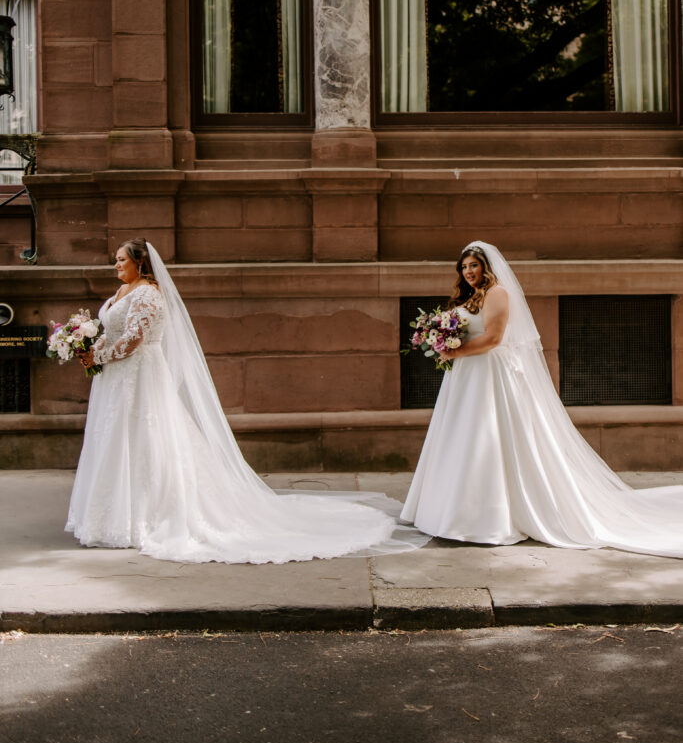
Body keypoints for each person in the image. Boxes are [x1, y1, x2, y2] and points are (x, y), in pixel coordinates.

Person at [67, 238, 427, 564]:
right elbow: (113, 333)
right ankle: (112, 516)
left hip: (139, 376)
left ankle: (141, 517)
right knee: (116, 440)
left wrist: (98, 357)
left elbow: (134, 339)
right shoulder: (123, 291)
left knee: (143, 440)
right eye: (115, 260)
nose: (115, 265)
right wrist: (89, 348)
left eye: (120, 260)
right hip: (118, 378)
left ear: (140, 264)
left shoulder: (147, 294)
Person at [401, 240, 683, 559]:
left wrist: (454, 350)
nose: (468, 272)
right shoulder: (468, 298)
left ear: (486, 267)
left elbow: (493, 338)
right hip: (466, 376)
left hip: (488, 375)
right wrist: (441, 339)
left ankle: (487, 518)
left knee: (487, 438)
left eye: (474, 265)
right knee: (461, 437)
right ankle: (449, 511)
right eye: (464, 267)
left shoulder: (498, 294)